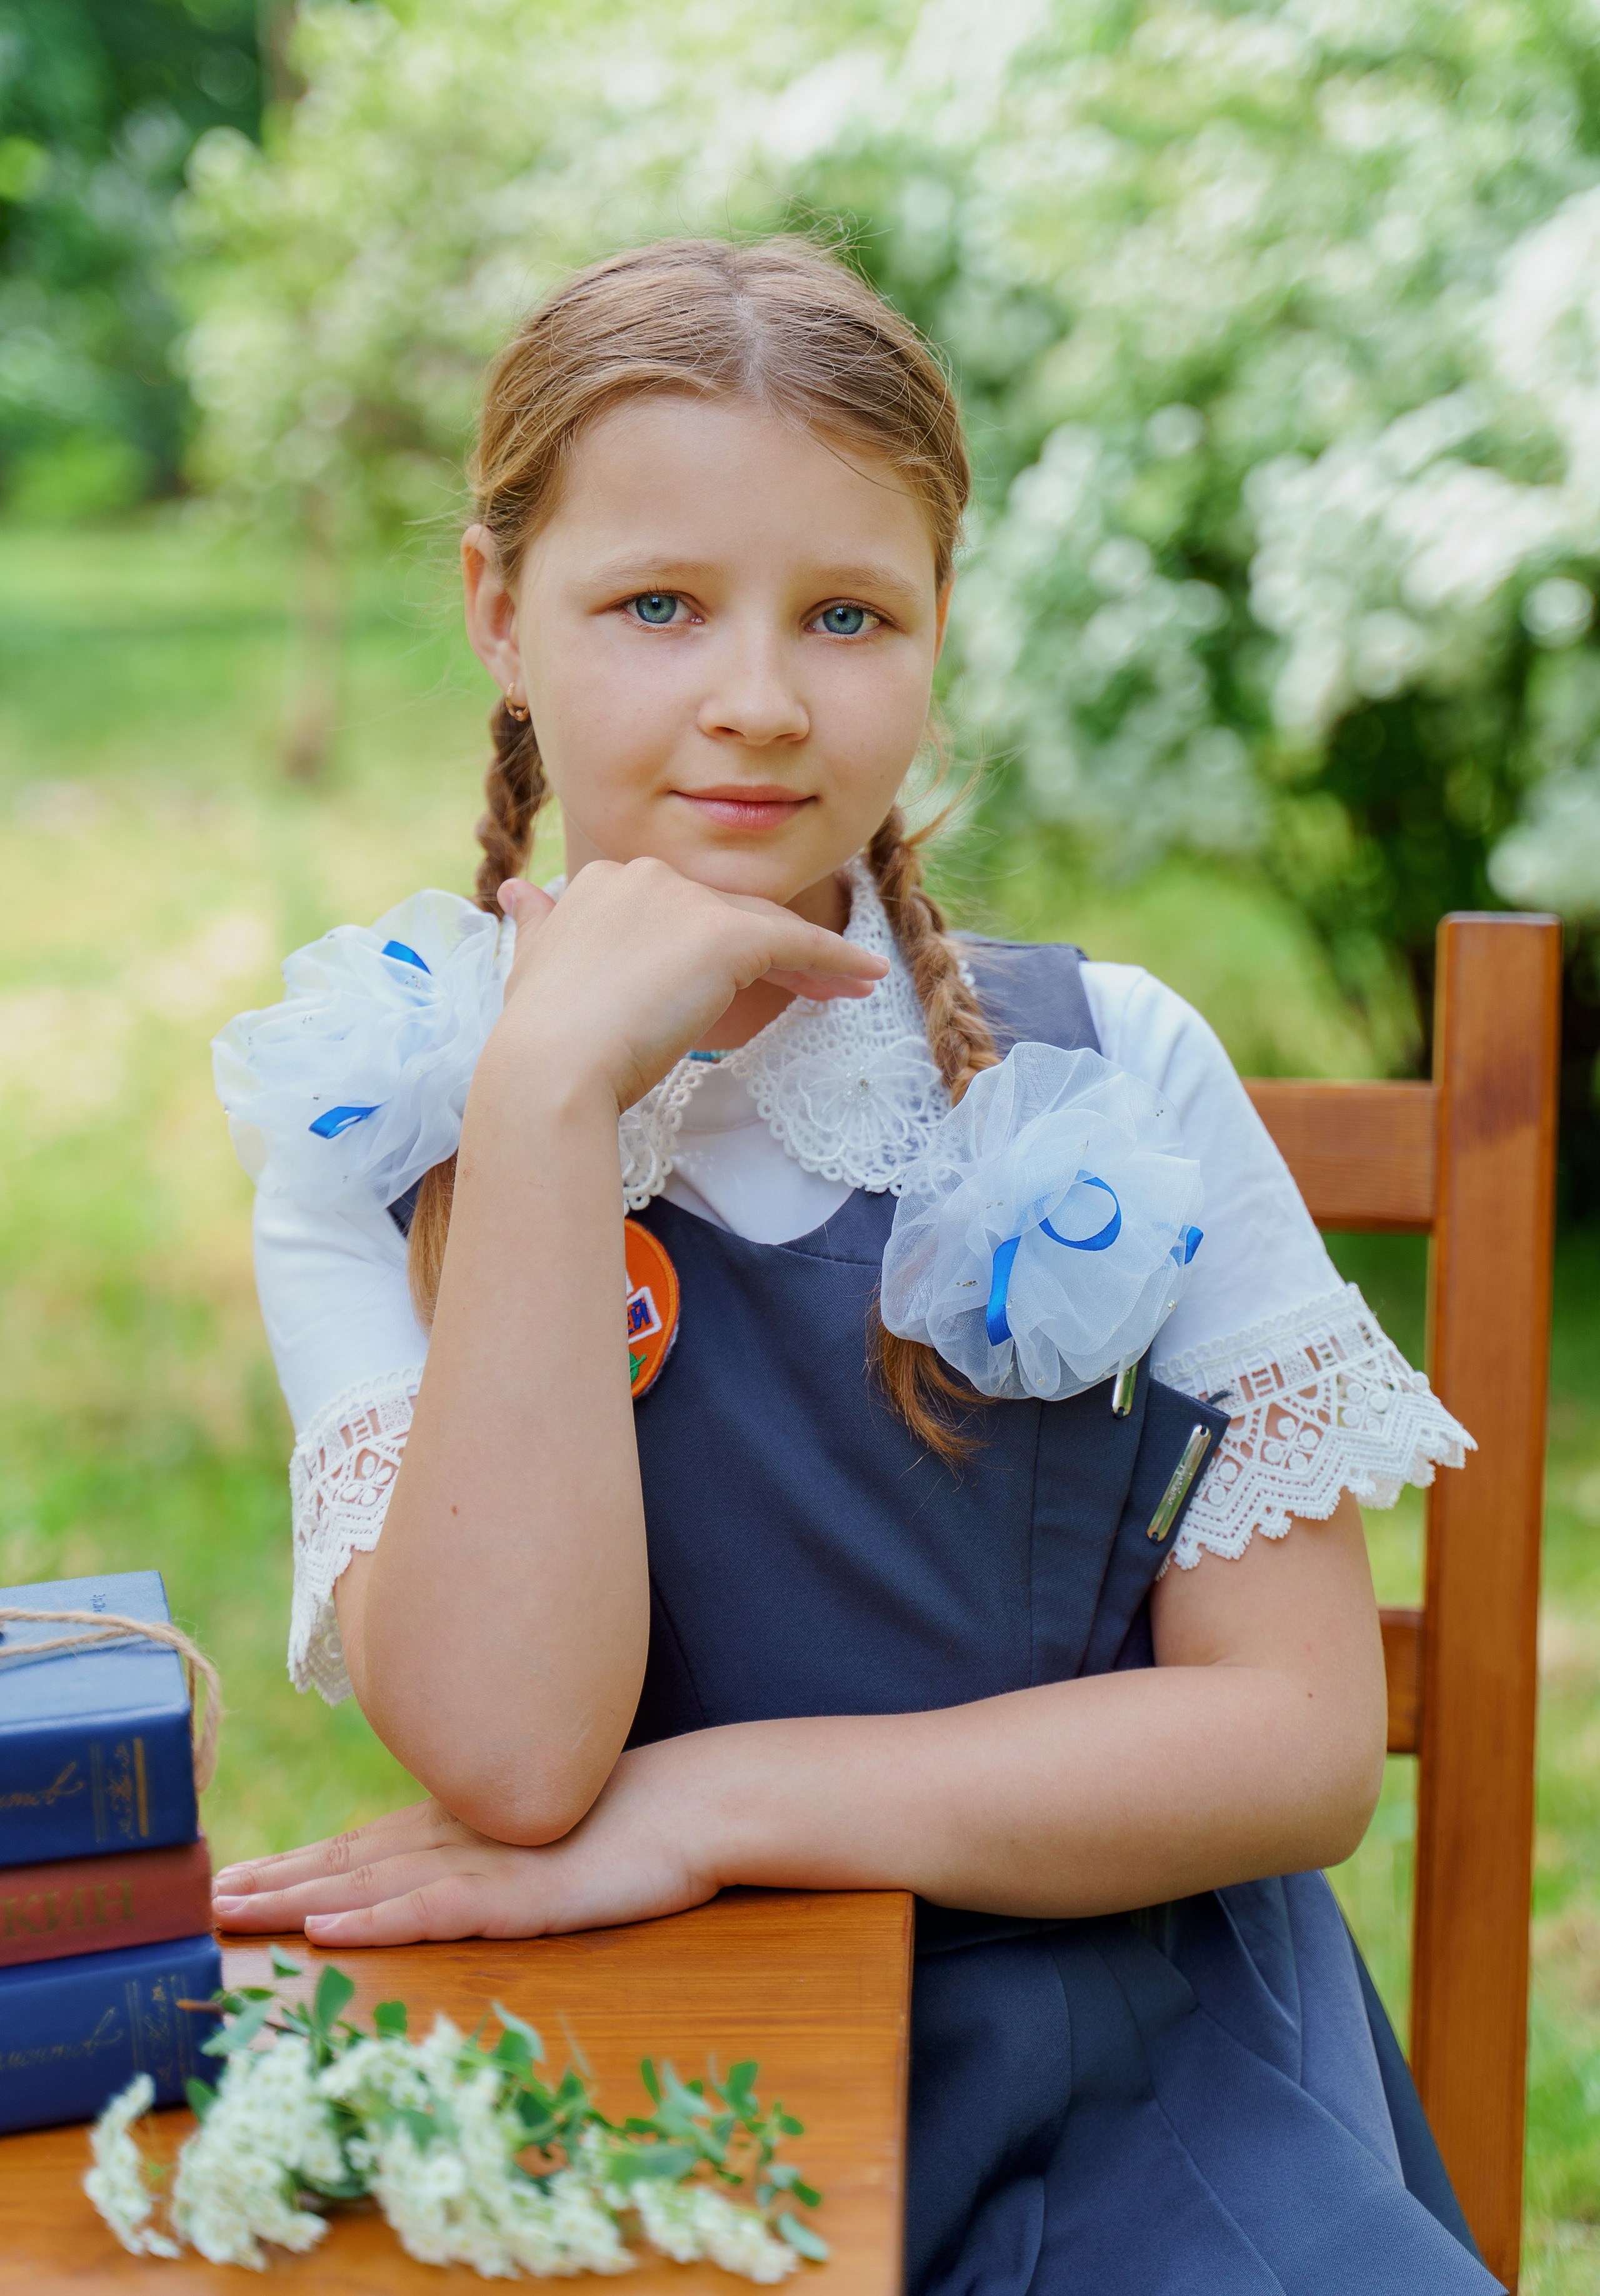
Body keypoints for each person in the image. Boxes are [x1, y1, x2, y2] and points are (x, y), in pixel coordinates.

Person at [209, 238, 1497, 2293]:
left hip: (1148, 2100)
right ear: (497, 611)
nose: (761, 698)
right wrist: (547, 1103)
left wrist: (707, 1802)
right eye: (657, 605)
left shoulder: (1112, 1066)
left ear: (937, 628)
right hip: (648, 2095)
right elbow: (519, 1760)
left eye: (847, 613)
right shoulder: (376, 1131)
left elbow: (1297, 1737)